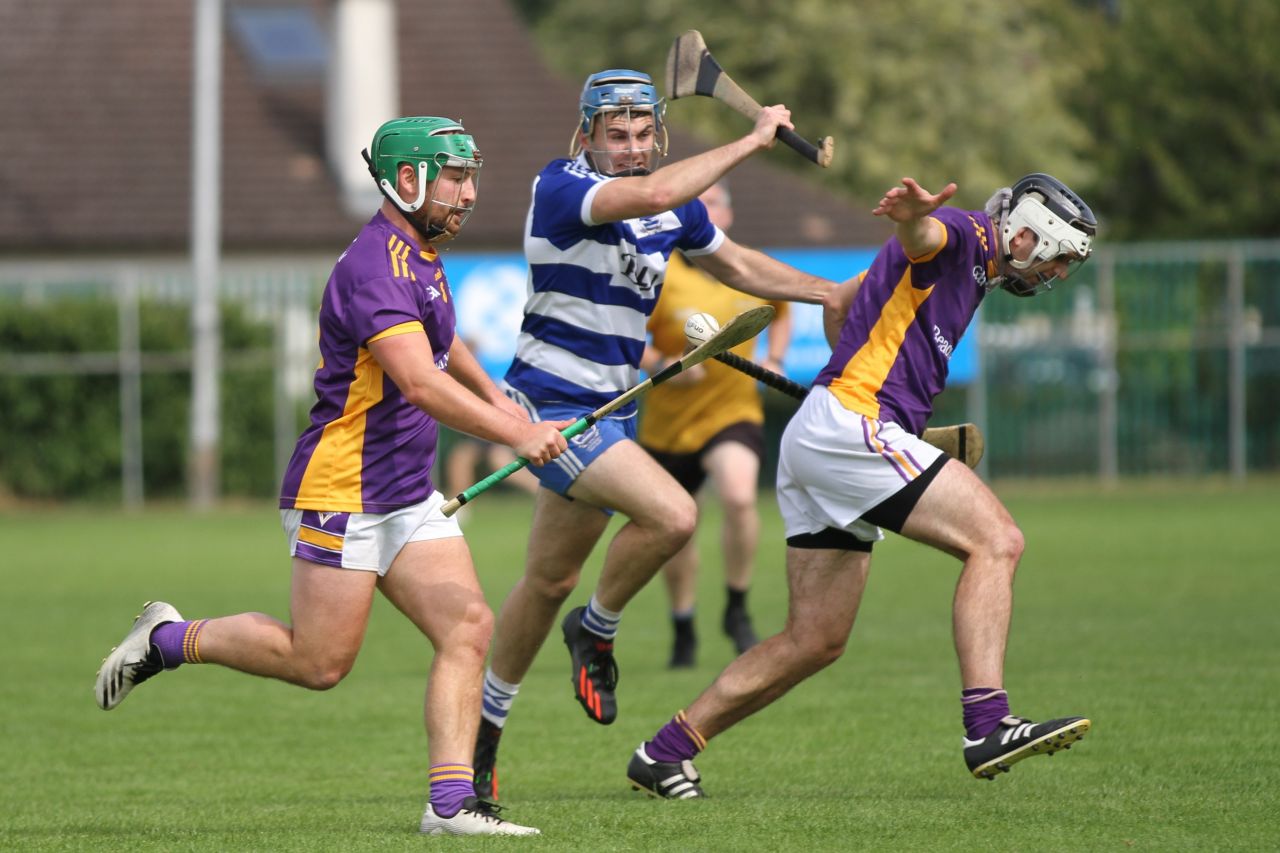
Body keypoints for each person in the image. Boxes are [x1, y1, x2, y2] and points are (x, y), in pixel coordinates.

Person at [93, 117, 569, 836]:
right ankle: (168, 639)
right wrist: (517, 432)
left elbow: (446, 342)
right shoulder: (375, 267)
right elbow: (419, 383)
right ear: (406, 180)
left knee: (468, 625)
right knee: (317, 662)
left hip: (406, 491)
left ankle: (449, 803)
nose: (468, 193)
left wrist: (501, 397)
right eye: (453, 177)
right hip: (340, 490)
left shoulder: (423, 251)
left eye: (472, 176)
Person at [625, 173, 1098, 798]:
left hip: (830, 431)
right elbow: (927, 234)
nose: (1056, 274)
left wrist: (857, 392)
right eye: (1058, 260)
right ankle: (987, 725)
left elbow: (843, 302)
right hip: (851, 430)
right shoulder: (966, 234)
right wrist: (911, 219)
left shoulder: (977, 270)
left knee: (814, 640)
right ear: (1027, 234)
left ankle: (665, 753)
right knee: (997, 541)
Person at [471, 69, 835, 802]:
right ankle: (598, 629)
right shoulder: (564, 188)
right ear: (587, 136)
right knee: (673, 514)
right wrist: (753, 138)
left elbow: (735, 263)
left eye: (643, 136)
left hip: (614, 409)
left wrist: (831, 291)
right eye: (617, 135)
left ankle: (479, 743)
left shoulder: (670, 211)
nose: (631, 149)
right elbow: (658, 193)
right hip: (552, 409)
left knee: (545, 581)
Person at [638, 180, 792, 668]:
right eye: (696, 205)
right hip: (669, 424)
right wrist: (665, 364)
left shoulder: (748, 267)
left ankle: (737, 608)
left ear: (728, 214)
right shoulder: (659, 275)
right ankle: (683, 624)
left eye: (714, 202)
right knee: (676, 527)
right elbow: (628, 342)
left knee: (740, 495)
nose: (707, 210)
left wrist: (777, 357)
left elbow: (783, 309)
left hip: (733, 413)